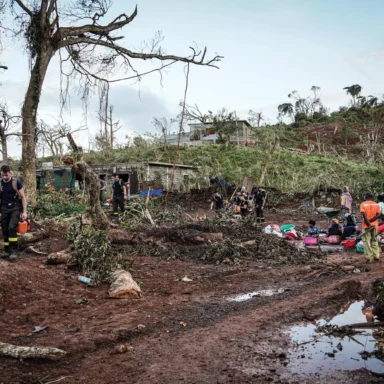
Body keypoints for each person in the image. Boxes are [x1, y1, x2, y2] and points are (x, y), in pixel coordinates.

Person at [0, 165, 27, 260]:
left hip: (15, 208)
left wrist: (24, 212)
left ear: (10, 173)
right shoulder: (0, 183)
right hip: (4, 208)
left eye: (6, 175)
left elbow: (23, 197)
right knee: (5, 229)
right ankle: (7, 251)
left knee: (12, 227)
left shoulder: (16, 183)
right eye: (3, 175)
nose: (4, 177)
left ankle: (14, 251)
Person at [360, 193, 382, 263]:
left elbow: (364, 214)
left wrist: (368, 222)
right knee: (374, 240)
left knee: (367, 241)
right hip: (375, 225)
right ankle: (376, 256)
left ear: (366, 197)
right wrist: (371, 221)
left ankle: (369, 258)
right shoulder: (376, 204)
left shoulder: (363, 204)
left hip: (366, 225)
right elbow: (378, 215)